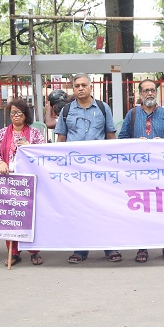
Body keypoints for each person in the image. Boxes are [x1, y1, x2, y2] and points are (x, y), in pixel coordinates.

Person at [55, 74, 119, 264]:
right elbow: (61, 141)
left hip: (99, 168)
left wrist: (112, 166)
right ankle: (80, 250)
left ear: (91, 87)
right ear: (73, 89)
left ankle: (110, 248)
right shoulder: (66, 110)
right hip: (74, 170)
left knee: (104, 207)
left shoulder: (102, 108)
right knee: (78, 209)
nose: (80, 88)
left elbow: (110, 137)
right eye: (77, 86)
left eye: (84, 85)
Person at [119, 79, 164, 263]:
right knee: (142, 210)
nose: (150, 93)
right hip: (138, 172)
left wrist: (162, 143)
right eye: (146, 91)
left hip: (162, 171)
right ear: (140, 94)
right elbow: (122, 139)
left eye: (152, 90)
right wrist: (135, 142)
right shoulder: (132, 114)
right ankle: (142, 247)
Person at [0, 99, 45, 266]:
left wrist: (29, 146)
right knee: (11, 216)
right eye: (12, 113)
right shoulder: (2, 133)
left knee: (30, 215)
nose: (15, 116)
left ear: (25, 115)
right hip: (9, 180)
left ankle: (34, 251)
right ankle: (13, 252)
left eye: (19, 113)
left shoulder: (35, 133)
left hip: (29, 181)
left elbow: (43, 154)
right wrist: (1, 163)